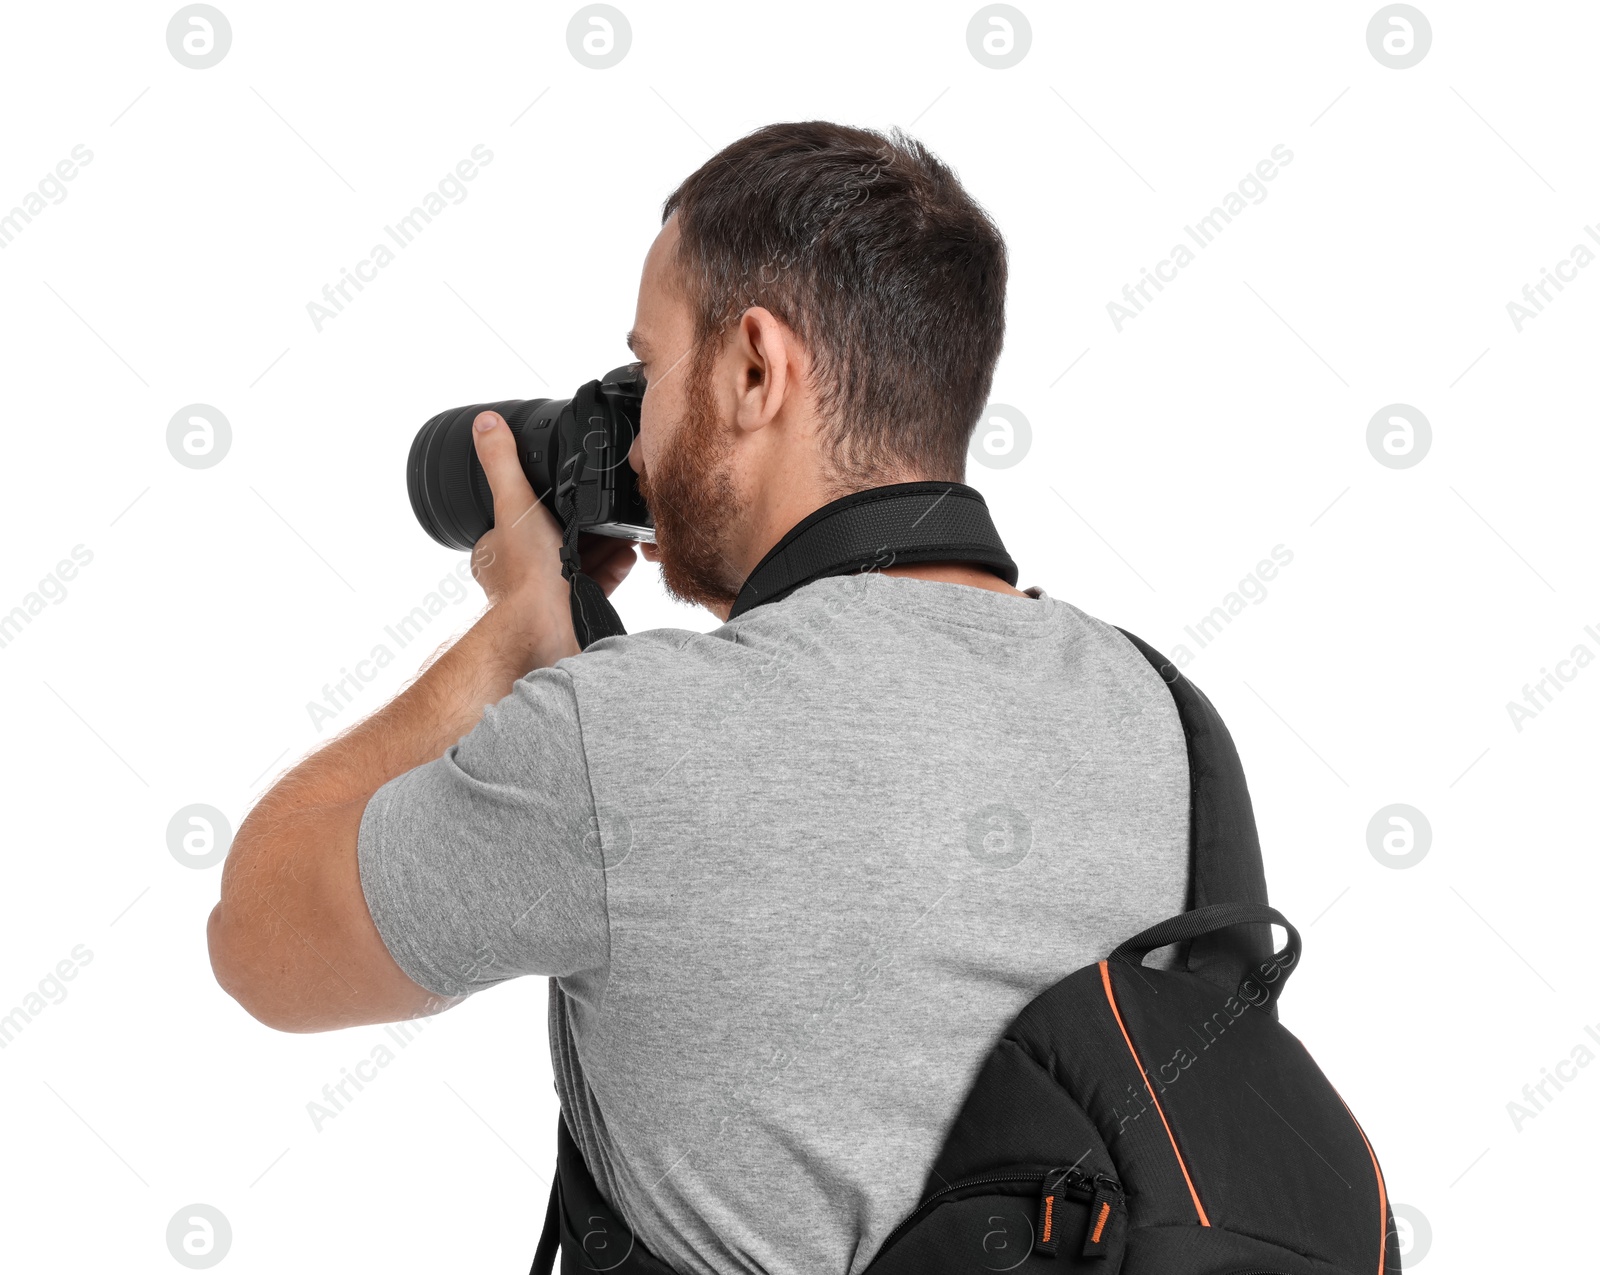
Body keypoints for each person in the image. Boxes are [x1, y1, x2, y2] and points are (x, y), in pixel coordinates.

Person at [207, 120, 1192, 1275]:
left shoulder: (622, 737)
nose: (643, 426)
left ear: (754, 369)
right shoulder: (1164, 718)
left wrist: (506, 645)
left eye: (653, 368)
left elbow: (259, 941)